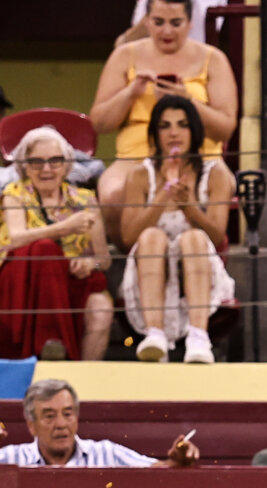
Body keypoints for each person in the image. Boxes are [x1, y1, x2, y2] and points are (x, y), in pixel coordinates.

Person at [90, 0, 237, 244]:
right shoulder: (125, 55)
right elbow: (100, 124)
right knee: (112, 194)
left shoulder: (214, 59)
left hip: (199, 157)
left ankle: (198, 255)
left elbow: (225, 128)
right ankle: (136, 256)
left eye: (176, 23)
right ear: (146, 22)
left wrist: (188, 101)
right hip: (135, 157)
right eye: (158, 22)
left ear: (190, 23)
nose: (166, 31)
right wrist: (131, 93)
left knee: (216, 186)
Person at [119, 95, 237, 363]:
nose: (174, 133)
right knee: (151, 236)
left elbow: (216, 235)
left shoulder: (215, 174)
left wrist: (188, 205)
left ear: (194, 131)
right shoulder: (139, 175)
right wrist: (164, 194)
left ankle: (198, 336)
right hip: (149, 264)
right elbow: (128, 237)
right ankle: (155, 334)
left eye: (182, 125)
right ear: (155, 133)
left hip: (201, 264)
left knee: (193, 238)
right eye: (165, 126)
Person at [0, 128, 113, 362]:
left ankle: (82, 378)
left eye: (54, 161)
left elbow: (104, 259)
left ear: (66, 165)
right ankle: (51, 343)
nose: (46, 169)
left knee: (101, 307)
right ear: (25, 166)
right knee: (44, 250)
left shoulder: (85, 200)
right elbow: (16, 239)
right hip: (24, 282)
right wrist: (64, 228)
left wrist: (89, 263)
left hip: (70, 279)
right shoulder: (14, 193)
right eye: (37, 162)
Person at [0, 379, 200, 467]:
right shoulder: (10, 458)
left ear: (76, 418)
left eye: (68, 414)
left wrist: (179, 461)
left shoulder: (106, 453)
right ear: (31, 425)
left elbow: (158, 470)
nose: (61, 424)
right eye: (49, 416)